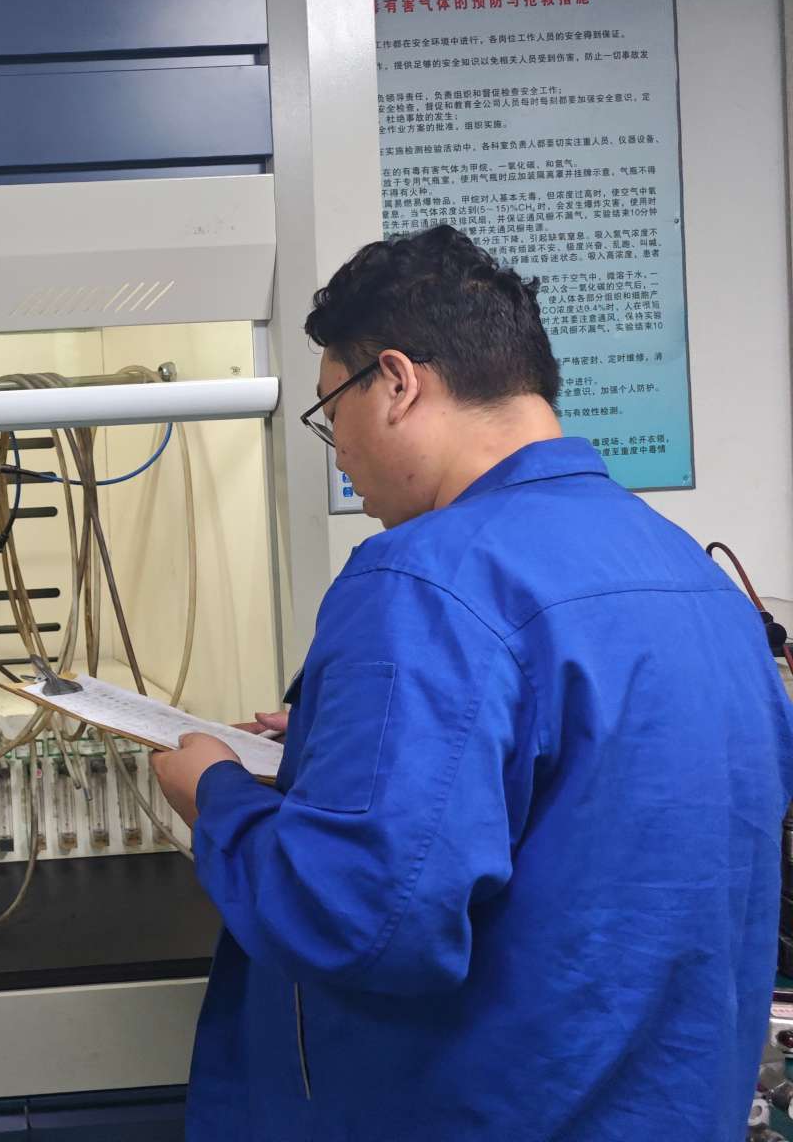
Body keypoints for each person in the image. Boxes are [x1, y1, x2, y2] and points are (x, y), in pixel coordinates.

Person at [150, 224, 793, 1140]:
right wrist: (343, 756)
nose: (338, 450)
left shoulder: (422, 579)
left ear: (397, 382)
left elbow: (358, 920)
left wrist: (214, 792)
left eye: (332, 410)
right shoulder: (693, 576)